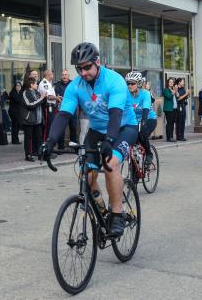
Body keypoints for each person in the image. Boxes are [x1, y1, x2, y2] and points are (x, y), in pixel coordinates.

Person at [41, 42, 139, 238]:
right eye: (79, 68)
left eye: (87, 67)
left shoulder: (114, 81)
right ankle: (102, 210)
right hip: (96, 131)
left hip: (123, 127)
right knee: (86, 175)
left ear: (98, 62)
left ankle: (117, 214)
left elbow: (115, 113)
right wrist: (50, 141)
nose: (84, 72)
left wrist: (110, 140)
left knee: (110, 164)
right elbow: (63, 115)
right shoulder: (75, 86)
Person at [126, 71, 157, 155]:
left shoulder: (145, 94)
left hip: (149, 119)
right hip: (134, 121)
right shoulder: (126, 94)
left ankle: (148, 153)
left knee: (142, 133)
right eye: (128, 83)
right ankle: (134, 163)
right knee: (131, 141)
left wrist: (143, 121)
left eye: (132, 83)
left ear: (139, 83)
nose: (129, 86)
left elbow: (146, 109)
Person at [21, 76, 46, 161]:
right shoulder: (25, 92)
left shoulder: (36, 92)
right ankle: (28, 155)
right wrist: (41, 98)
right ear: (31, 85)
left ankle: (40, 155)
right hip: (29, 119)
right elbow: (30, 105)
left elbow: (41, 102)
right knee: (28, 138)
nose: (37, 85)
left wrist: (44, 97)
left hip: (38, 120)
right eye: (36, 83)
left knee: (39, 138)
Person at [53, 69, 78, 149]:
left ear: (68, 76)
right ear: (61, 76)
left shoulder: (73, 84)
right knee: (61, 129)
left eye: (66, 75)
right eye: (63, 75)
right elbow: (55, 97)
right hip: (62, 110)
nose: (64, 76)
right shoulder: (57, 85)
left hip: (72, 110)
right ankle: (61, 147)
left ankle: (73, 147)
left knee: (73, 128)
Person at [38, 69, 57, 140]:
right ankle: (45, 143)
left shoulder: (48, 83)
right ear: (49, 75)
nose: (53, 75)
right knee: (47, 126)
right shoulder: (44, 83)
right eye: (52, 74)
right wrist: (57, 98)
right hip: (47, 107)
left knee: (51, 125)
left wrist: (56, 97)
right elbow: (49, 96)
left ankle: (48, 142)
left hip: (51, 107)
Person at [162, 77, 176, 142]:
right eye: (170, 82)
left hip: (172, 108)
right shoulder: (166, 89)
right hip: (168, 109)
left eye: (172, 82)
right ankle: (168, 137)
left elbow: (177, 96)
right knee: (169, 123)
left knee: (172, 123)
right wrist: (173, 93)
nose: (171, 83)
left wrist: (175, 92)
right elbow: (168, 97)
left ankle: (171, 136)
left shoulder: (172, 89)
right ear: (168, 83)